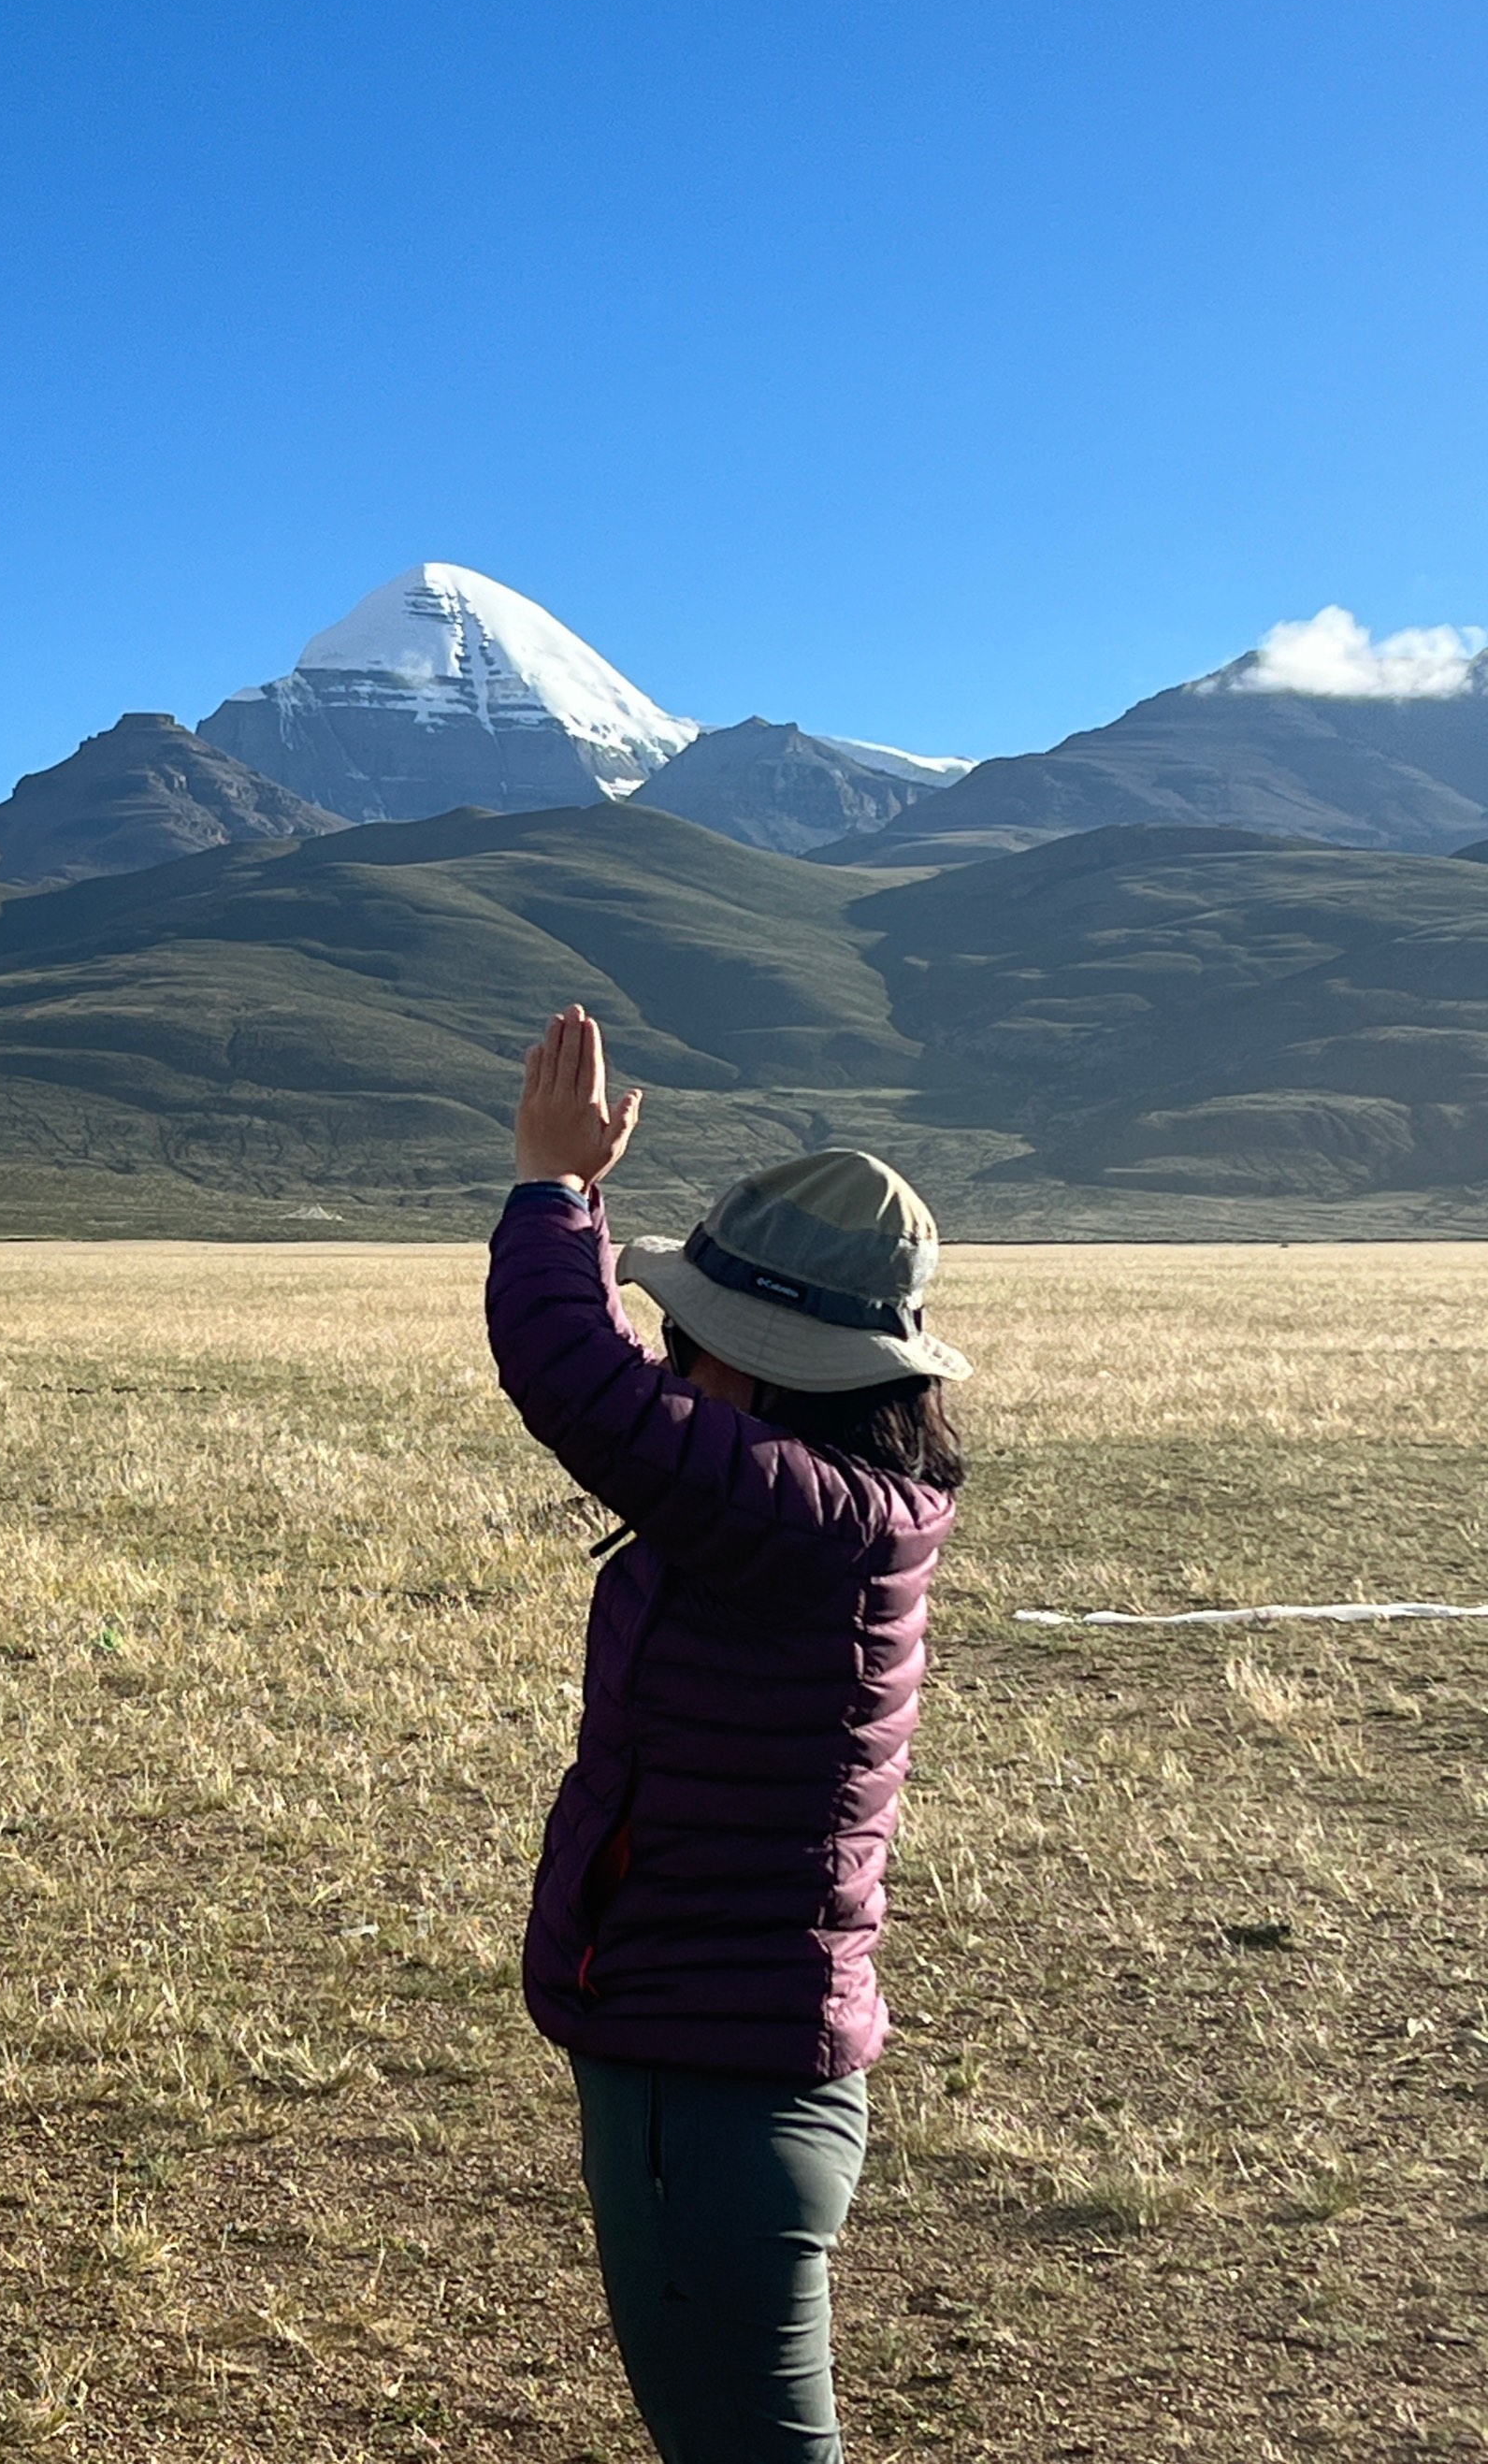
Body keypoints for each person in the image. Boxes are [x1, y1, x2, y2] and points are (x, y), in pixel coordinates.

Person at [484, 1003, 971, 2464]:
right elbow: (631, 1400)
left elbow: (574, 1370)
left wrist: (549, 1191)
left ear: (772, 1366)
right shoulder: (834, 1507)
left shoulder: (795, 1515)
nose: (673, 1365)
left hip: (707, 2089)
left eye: (694, 1342)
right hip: (734, 2062)